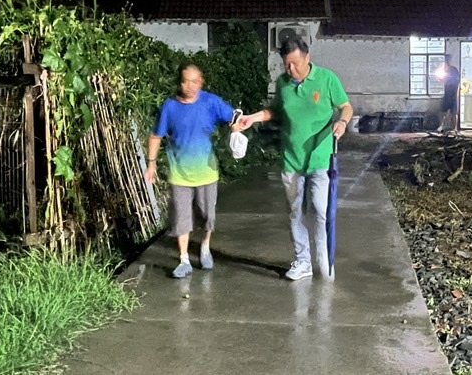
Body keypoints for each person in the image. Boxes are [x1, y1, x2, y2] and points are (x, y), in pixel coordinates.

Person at [239, 37, 352, 281]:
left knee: (321, 211)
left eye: (295, 64)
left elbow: (346, 106)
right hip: (292, 159)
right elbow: (275, 111)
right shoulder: (283, 83)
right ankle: (303, 262)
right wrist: (253, 118)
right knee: (295, 212)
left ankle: (324, 259)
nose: (291, 70)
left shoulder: (326, 79)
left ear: (307, 58)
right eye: (286, 65)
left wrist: (342, 122)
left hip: (320, 159)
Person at [145, 63, 242, 279]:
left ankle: (205, 245)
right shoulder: (170, 106)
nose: (190, 86)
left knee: (207, 215)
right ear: (180, 82)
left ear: (201, 82)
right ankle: (184, 259)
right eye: (185, 81)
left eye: (194, 81)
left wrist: (236, 128)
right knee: (181, 217)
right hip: (179, 172)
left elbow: (232, 117)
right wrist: (151, 163)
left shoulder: (210, 101)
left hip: (206, 171)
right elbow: (156, 136)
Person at [437, 54, 460, 134]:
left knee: (449, 112)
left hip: (451, 94)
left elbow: (446, 80)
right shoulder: (449, 70)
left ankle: (453, 128)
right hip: (450, 94)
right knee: (446, 112)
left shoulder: (452, 70)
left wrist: (442, 78)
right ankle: (445, 126)